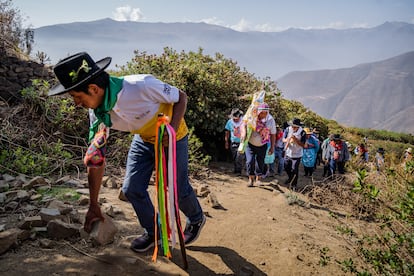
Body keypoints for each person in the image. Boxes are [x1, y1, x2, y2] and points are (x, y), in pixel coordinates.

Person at [48, 52, 205, 253]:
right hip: (143, 138)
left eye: (77, 97)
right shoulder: (98, 115)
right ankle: (154, 232)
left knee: (176, 188)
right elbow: (95, 160)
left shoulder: (141, 86)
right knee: (132, 189)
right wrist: (93, 205)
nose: (76, 103)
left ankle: (196, 218)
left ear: (94, 89)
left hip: (172, 136)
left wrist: (172, 129)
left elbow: (181, 96)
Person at [241, 103, 276, 187]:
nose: (263, 115)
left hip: (262, 145)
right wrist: (243, 134)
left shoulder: (270, 120)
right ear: (258, 112)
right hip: (250, 144)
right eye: (262, 113)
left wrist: (272, 147)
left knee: (260, 162)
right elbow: (243, 124)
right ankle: (250, 178)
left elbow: (273, 134)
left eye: (265, 113)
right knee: (250, 161)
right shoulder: (252, 117)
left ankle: (258, 179)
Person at [283, 118, 306, 188]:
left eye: (295, 126)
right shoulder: (287, 129)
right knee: (286, 167)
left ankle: (294, 184)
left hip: (297, 154)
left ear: (298, 126)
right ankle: (290, 178)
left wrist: (296, 139)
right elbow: (283, 139)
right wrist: (288, 140)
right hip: (288, 153)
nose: (293, 128)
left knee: (294, 169)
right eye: (292, 126)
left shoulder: (302, 132)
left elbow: (303, 145)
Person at [224, 108, 244, 175]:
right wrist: (226, 142)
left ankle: (239, 171)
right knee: (234, 156)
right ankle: (236, 170)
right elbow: (227, 132)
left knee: (239, 156)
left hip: (242, 142)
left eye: (236, 118)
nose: (235, 119)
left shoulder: (243, 121)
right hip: (233, 141)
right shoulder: (230, 122)